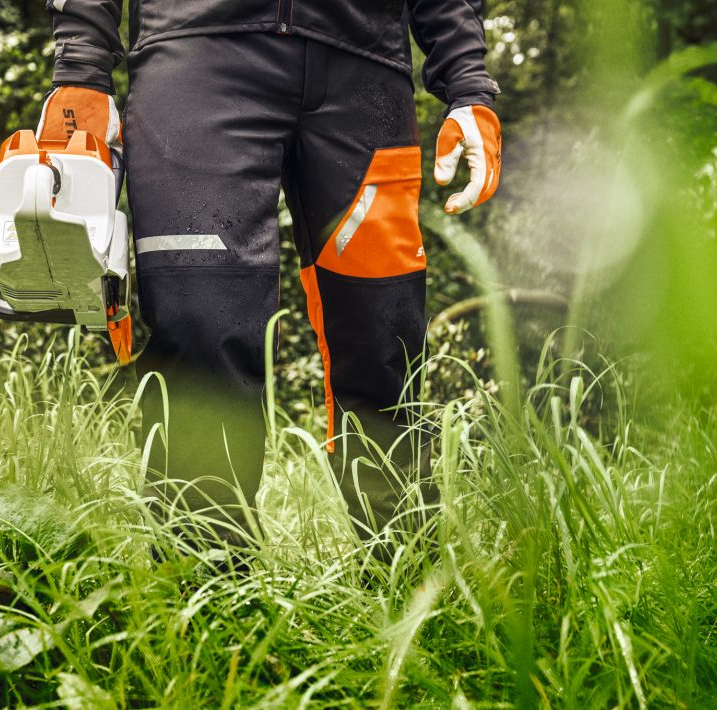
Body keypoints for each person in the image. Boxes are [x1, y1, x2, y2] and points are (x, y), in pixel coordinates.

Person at [34, 0, 503, 552]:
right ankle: (209, 596)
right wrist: (81, 69)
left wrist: (469, 85)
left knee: (385, 338)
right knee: (201, 334)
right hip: (196, 61)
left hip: (365, 72)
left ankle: (407, 586)